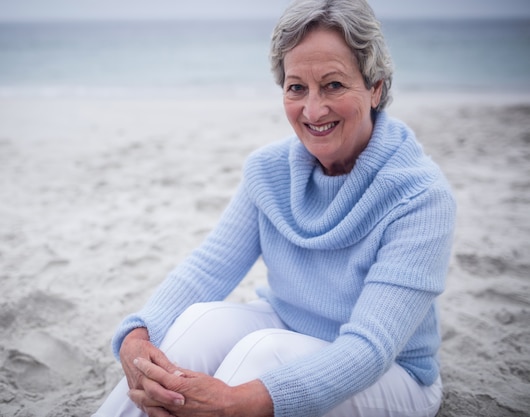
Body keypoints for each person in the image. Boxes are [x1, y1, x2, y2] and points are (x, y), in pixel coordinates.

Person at [92, 0, 456, 415]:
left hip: (391, 374)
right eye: (296, 87)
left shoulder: (421, 198)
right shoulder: (268, 171)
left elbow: (369, 349)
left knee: (263, 353)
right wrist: (139, 336)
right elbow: (209, 267)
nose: (313, 110)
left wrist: (234, 403)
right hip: (288, 322)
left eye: (334, 85)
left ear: (375, 88)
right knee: (199, 324)